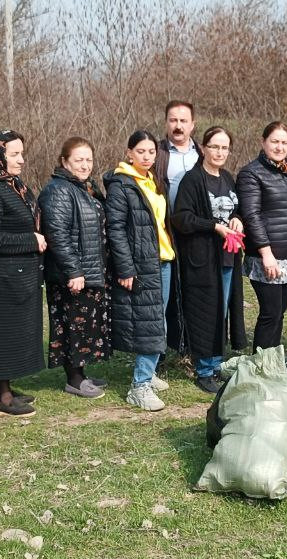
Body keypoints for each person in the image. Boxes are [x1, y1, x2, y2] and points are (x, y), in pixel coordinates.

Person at [0, 130, 45, 416]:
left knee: (13, 335)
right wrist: (32, 240)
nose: (21, 160)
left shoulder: (13, 185)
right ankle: (2, 398)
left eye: (21, 153)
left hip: (17, 276)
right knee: (0, 336)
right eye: (14, 154)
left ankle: (6, 388)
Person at [171, 126, 247, 394]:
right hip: (202, 260)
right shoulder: (193, 180)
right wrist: (213, 226)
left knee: (221, 311)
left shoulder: (227, 177)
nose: (219, 152)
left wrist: (237, 218)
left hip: (227, 258)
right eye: (214, 146)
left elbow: (236, 207)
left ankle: (216, 364)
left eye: (225, 147)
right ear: (203, 147)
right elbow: (181, 218)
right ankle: (203, 369)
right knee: (205, 311)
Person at [106, 130, 175, 411]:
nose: (146, 157)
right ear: (129, 153)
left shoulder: (152, 180)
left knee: (157, 321)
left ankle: (149, 370)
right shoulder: (121, 185)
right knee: (152, 324)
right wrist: (125, 267)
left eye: (151, 152)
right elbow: (116, 229)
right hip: (142, 265)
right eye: (141, 152)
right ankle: (139, 385)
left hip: (163, 261)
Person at [39, 137, 112, 399]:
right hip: (72, 275)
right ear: (64, 161)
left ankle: (81, 374)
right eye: (78, 160)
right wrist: (74, 270)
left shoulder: (85, 188)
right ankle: (74, 380)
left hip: (90, 271)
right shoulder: (58, 190)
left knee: (83, 327)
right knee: (71, 327)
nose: (84, 165)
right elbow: (57, 233)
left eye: (88, 160)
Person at [237, 121, 287, 350]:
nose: (279, 147)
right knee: (270, 313)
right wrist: (266, 254)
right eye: (274, 141)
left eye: (284, 142)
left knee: (279, 315)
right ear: (263, 142)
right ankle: (260, 366)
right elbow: (251, 216)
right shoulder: (251, 174)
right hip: (267, 257)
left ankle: (272, 362)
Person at [154, 100, 198, 357]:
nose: (178, 126)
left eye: (183, 121)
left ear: (193, 125)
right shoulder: (156, 153)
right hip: (165, 233)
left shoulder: (202, 153)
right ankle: (158, 354)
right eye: (173, 120)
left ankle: (191, 348)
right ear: (166, 123)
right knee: (163, 297)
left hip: (195, 235)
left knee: (192, 292)